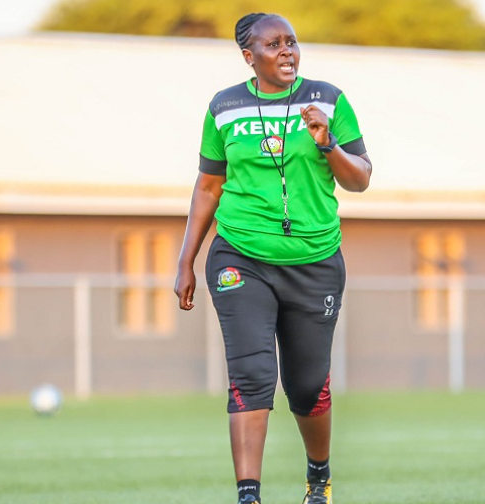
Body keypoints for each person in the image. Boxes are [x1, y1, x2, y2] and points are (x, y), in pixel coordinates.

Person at [174, 12, 372, 504]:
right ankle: (248, 496)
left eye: (292, 42)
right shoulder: (224, 107)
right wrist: (186, 260)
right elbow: (207, 187)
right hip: (241, 255)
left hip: (315, 259)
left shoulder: (328, 99)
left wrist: (327, 142)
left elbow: (360, 178)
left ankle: (319, 479)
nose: (287, 51)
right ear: (249, 56)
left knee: (306, 387)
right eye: (273, 44)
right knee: (252, 374)